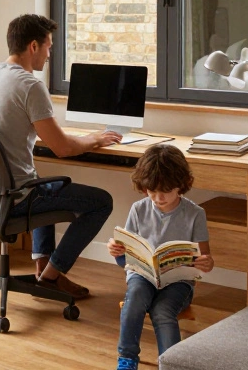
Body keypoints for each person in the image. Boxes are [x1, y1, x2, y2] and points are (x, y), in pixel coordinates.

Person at [0, 14, 120, 299]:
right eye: (48, 47)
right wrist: (93, 139)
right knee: (100, 202)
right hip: (13, 198)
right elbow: (62, 148)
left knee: (44, 183)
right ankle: (52, 275)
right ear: (33, 46)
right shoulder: (30, 86)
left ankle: (42, 266)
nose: (49, 54)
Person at [107, 144, 215, 370]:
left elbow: (204, 260)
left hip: (179, 283)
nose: (157, 197)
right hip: (142, 276)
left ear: (180, 185)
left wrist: (205, 262)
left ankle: (171, 364)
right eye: (151, 191)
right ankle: (127, 359)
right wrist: (118, 250)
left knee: (162, 310)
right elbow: (126, 259)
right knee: (134, 298)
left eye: (164, 191)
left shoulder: (195, 214)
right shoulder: (139, 209)